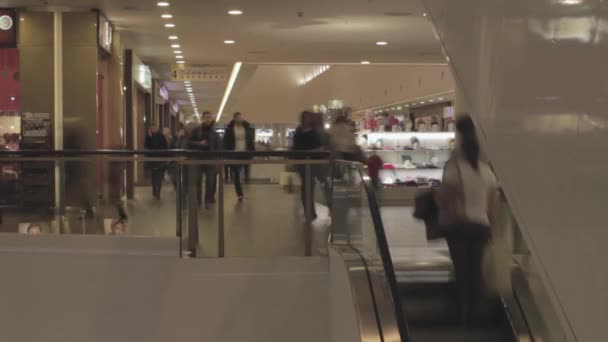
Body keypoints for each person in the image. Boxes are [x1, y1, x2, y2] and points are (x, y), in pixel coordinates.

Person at [437, 114, 499, 327]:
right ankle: (477, 314)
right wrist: (491, 230)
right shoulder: (487, 171)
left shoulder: (454, 167)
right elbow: (493, 206)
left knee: (462, 271)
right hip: (481, 227)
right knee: (476, 270)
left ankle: (463, 314)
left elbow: (445, 198)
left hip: (460, 226)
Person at [292, 111, 328, 221]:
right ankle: (309, 212)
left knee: (322, 184)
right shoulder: (299, 133)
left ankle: (328, 207)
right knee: (307, 187)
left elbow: (322, 145)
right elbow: (298, 149)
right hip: (305, 164)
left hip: (315, 163)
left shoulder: (314, 131)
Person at [189, 112, 219, 208]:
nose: (208, 119)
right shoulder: (196, 131)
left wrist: (218, 161)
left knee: (210, 183)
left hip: (210, 160)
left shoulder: (215, 133)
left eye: (210, 117)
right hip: (198, 159)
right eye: (206, 117)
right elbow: (189, 143)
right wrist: (199, 143)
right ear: (202, 118)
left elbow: (219, 147)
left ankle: (208, 201)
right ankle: (198, 201)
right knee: (198, 181)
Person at [223, 112, 255, 201]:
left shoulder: (247, 128)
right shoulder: (230, 130)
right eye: (238, 118)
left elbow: (250, 141)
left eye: (241, 117)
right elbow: (225, 142)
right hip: (234, 155)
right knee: (236, 174)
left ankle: (247, 190)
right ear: (234, 119)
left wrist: (253, 153)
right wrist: (226, 154)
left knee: (246, 172)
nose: (240, 119)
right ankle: (240, 194)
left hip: (246, 154)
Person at [146, 125, 169, 200]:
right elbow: (146, 146)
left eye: (154, 128)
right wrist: (149, 137)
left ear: (157, 128)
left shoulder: (161, 136)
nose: (153, 129)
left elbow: (165, 147)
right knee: (153, 176)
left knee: (160, 176)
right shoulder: (148, 136)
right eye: (152, 128)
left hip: (160, 159)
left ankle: (158, 191)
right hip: (152, 159)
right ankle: (154, 190)